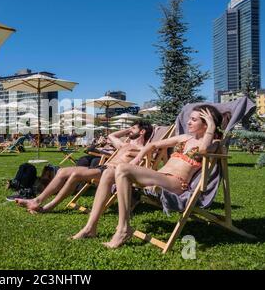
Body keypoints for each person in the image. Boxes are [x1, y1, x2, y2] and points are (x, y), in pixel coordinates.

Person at [72, 105, 229, 248]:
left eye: (194, 120)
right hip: (160, 176)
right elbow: (152, 145)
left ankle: (123, 229)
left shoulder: (215, 143)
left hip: (176, 184)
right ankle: (90, 227)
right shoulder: (184, 138)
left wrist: (212, 126)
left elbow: (202, 151)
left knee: (123, 170)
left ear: (207, 124)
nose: (188, 122)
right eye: (189, 118)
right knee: (108, 172)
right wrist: (137, 158)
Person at [15, 120, 153, 213]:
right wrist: (129, 129)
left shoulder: (145, 149)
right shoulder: (125, 145)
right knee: (63, 171)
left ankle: (43, 205)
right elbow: (111, 135)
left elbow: (146, 165)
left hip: (113, 173)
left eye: (133, 128)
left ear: (142, 132)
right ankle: (39, 202)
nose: (129, 131)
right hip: (103, 168)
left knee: (75, 175)